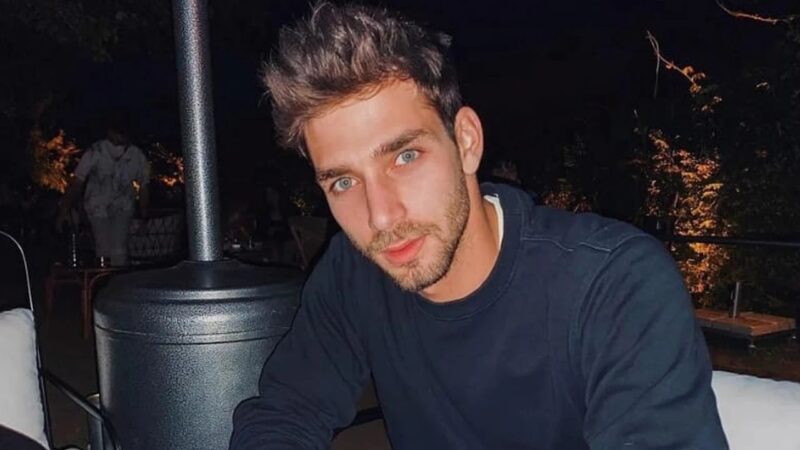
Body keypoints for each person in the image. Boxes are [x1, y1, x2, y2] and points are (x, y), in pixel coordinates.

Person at [230, 3, 727, 449]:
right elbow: (283, 415)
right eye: (343, 182)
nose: (380, 216)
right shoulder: (353, 274)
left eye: (405, 156)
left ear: (466, 141)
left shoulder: (613, 285)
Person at [56, 113, 150, 266]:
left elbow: (144, 187)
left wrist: (144, 215)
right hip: (97, 205)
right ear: (110, 132)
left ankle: (118, 277)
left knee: (119, 247)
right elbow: (78, 181)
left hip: (123, 205)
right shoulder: (96, 151)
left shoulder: (137, 156)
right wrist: (65, 209)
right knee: (103, 246)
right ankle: (105, 277)